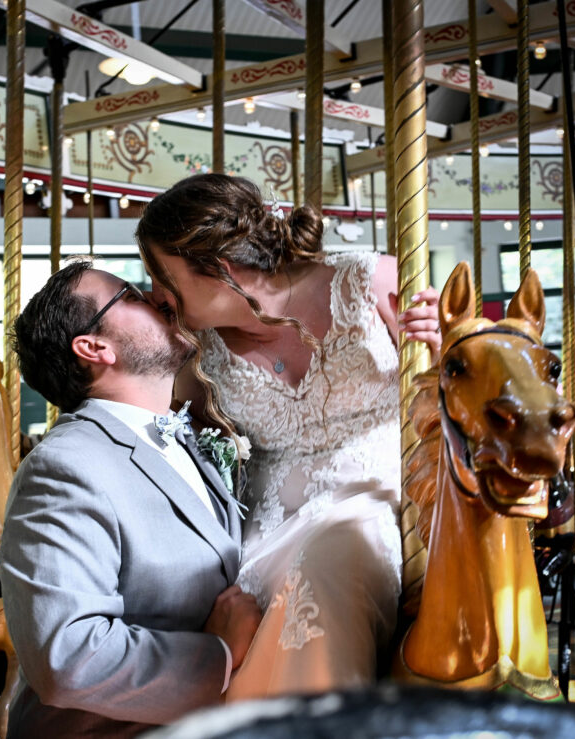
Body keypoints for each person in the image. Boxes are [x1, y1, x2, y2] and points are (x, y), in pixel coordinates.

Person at [134, 174, 441, 700]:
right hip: (267, 523)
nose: (158, 294)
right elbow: (151, 417)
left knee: (327, 567)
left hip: (378, 498)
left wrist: (445, 341)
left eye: (162, 275)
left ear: (217, 267)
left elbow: (471, 377)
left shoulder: (368, 281)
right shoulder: (197, 349)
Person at [0, 260, 262, 738]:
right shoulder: (65, 467)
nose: (159, 298)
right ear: (94, 347)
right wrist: (219, 655)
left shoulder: (187, 435)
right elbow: (68, 657)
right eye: (133, 296)